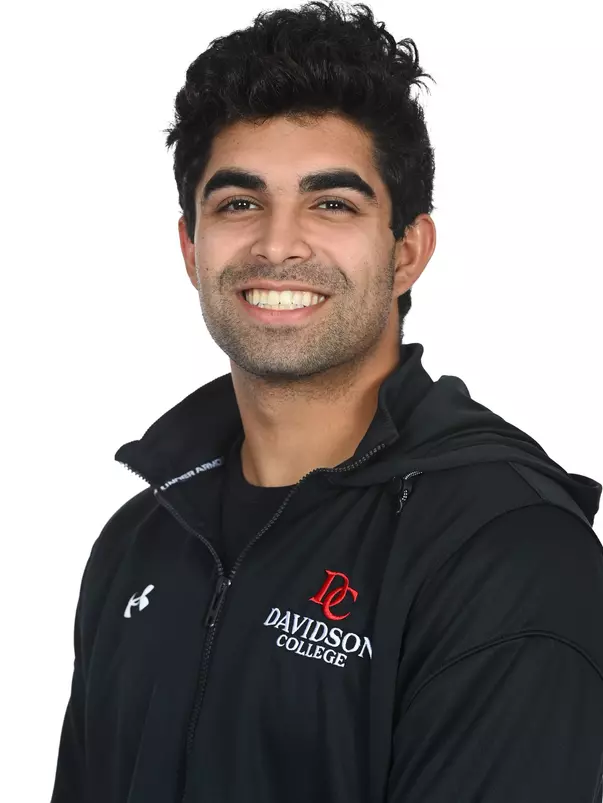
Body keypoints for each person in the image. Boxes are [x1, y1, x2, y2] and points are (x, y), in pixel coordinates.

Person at [50, 2, 603, 801]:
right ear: (190, 246)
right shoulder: (140, 541)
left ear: (406, 249)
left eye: (332, 204)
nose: (278, 244)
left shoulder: (506, 553)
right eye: (238, 203)